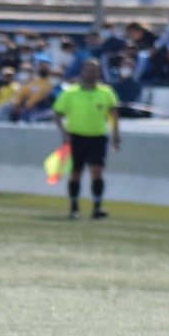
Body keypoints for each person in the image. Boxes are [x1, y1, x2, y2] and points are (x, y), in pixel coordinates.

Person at [53, 58, 120, 220]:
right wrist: (63, 132)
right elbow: (57, 113)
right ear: (82, 71)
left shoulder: (106, 92)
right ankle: (74, 207)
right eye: (88, 70)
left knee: (97, 171)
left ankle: (97, 206)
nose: (91, 73)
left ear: (99, 72)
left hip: (97, 137)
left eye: (94, 70)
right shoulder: (71, 92)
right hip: (76, 137)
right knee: (76, 173)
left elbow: (113, 114)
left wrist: (116, 135)